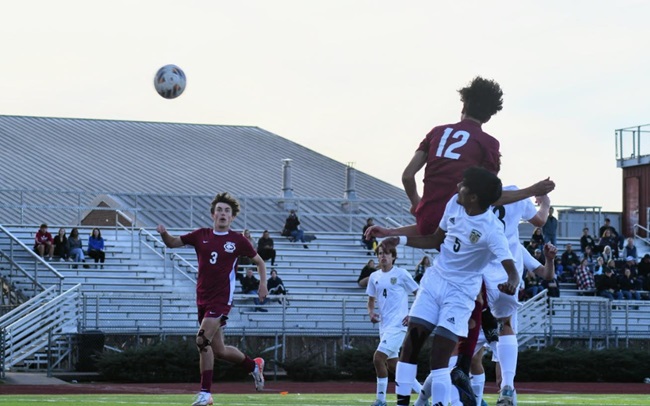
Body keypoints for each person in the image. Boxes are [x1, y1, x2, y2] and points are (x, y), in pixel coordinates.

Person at [367, 167, 520, 406]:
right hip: (434, 282)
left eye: (464, 184)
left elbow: (511, 267)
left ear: (474, 197)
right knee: (410, 346)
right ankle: (402, 403)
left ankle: (439, 402)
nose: (458, 186)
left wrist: (512, 282)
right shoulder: (455, 204)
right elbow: (435, 239)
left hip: (460, 294)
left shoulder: (492, 229)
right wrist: (400, 239)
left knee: (439, 356)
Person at [156, 192, 267, 406]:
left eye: (227, 211)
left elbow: (260, 262)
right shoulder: (201, 235)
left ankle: (205, 394)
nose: (223, 213)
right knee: (219, 350)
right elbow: (171, 243)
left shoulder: (237, 240)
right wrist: (163, 233)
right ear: (212, 214)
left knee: (201, 339)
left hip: (221, 299)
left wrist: (263, 284)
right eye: (219, 210)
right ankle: (254, 366)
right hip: (202, 298)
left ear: (232, 217)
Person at [366, 242, 420, 406]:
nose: (383, 256)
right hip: (385, 326)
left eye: (387, 253)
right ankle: (423, 393)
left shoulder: (402, 274)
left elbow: (420, 294)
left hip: (399, 325)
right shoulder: (374, 277)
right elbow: (370, 299)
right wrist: (371, 312)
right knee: (393, 366)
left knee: (378, 358)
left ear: (393, 256)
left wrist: (412, 314)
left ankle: (381, 400)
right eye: (380, 253)